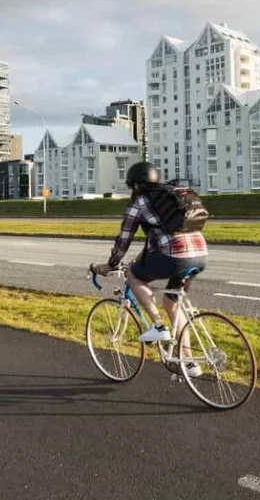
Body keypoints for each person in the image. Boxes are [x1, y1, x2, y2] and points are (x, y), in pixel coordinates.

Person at [91, 161, 208, 377]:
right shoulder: (171, 194)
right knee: (172, 304)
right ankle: (189, 361)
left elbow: (124, 238)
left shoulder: (141, 202)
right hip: (199, 254)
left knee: (134, 274)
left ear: (135, 185)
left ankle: (158, 326)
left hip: (175, 256)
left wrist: (110, 264)